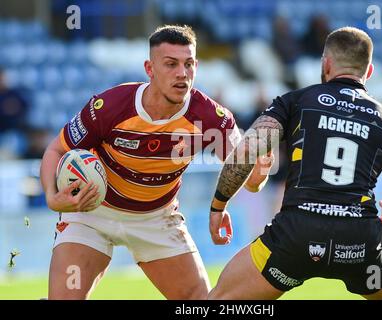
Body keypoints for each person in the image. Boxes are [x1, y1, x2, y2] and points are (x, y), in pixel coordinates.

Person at [40, 24, 268, 300]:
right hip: (92, 215)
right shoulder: (110, 106)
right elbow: (55, 150)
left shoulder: (211, 117)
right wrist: (53, 198)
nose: (182, 74)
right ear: (149, 69)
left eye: (188, 64)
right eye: (171, 64)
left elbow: (251, 179)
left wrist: (259, 168)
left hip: (157, 220)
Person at [208, 27, 382, 300]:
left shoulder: (296, 101)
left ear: (326, 64)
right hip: (359, 241)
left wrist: (219, 206)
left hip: (296, 235)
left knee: (219, 300)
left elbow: (246, 151)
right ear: (368, 72)